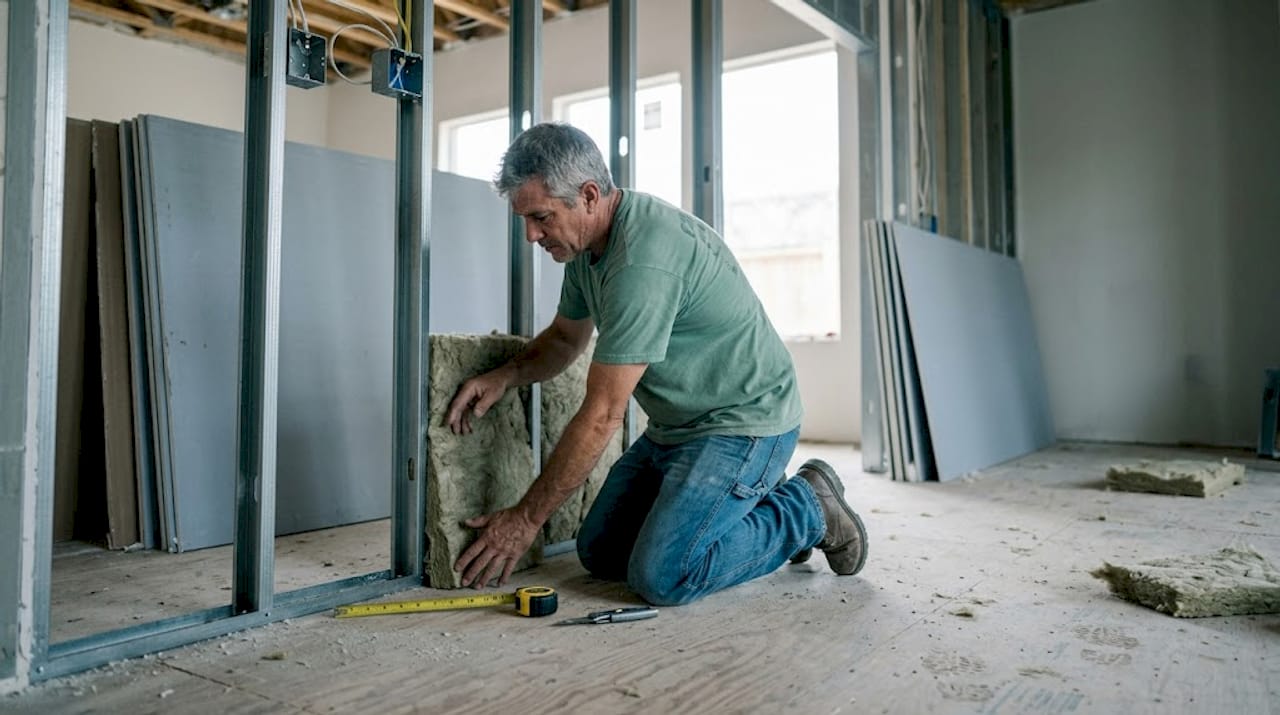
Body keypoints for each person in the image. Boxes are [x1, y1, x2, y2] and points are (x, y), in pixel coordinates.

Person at [445, 122, 868, 606]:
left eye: (540, 217)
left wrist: (524, 520)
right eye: (524, 219)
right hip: (676, 429)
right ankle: (752, 503)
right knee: (601, 552)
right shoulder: (584, 249)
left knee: (664, 575)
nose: (530, 235)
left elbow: (603, 414)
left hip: (743, 423)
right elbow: (565, 339)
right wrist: (507, 375)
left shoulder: (642, 261)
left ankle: (807, 507)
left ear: (588, 196)